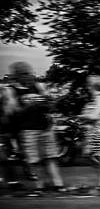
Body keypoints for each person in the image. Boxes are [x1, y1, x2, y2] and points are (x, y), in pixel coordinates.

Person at [6, 62, 65, 195]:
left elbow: (51, 106)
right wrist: (29, 105)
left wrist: (48, 101)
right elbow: (12, 111)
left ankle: (58, 185)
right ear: (17, 75)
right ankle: (40, 186)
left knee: (50, 157)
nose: (28, 76)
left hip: (45, 127)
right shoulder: (11, 90)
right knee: (34, 159)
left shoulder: (37, 86)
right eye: (24, 73)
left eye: (29, 72)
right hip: (27, 129)